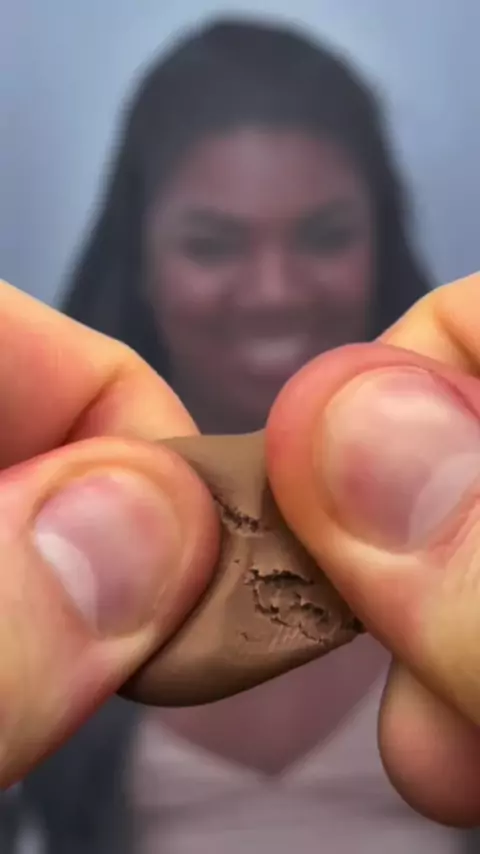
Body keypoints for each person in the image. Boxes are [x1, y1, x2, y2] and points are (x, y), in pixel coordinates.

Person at [4, 15, 478, 854]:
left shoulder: (457, 495)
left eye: (324, 236)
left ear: (380, 238)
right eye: (213, 245)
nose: (273, 292)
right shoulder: (42, 520)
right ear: (141, 261)